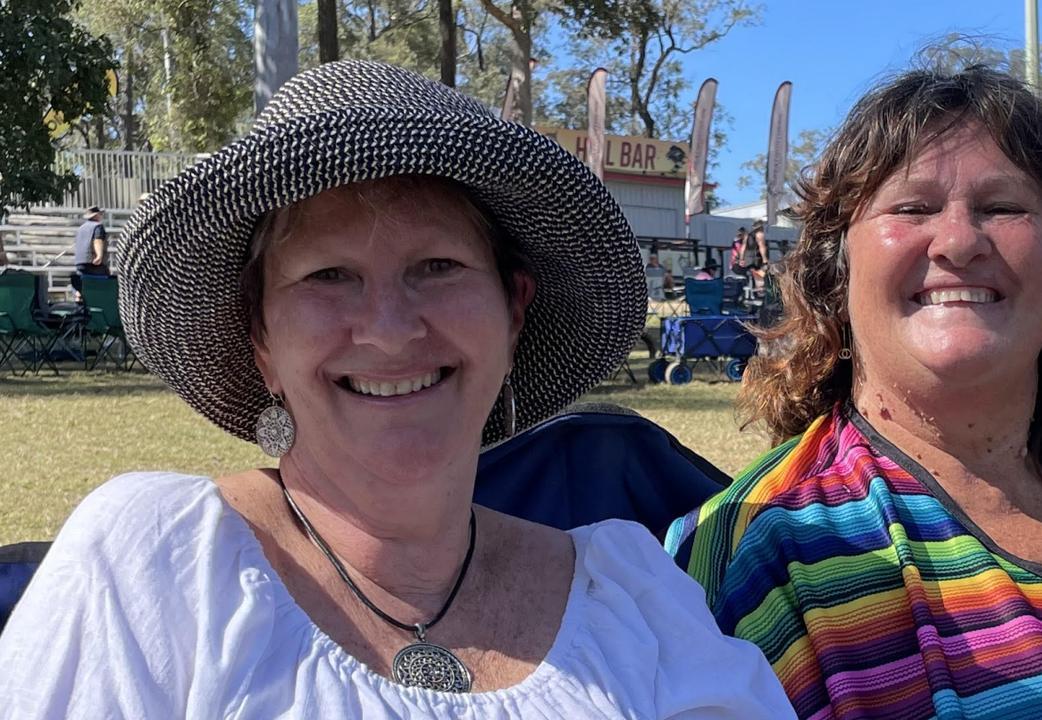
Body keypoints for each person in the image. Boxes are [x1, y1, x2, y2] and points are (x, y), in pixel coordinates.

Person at [0, 61, 793, 719]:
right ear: (261, 338)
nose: (387, 328)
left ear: (513, 313)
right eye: (328, 275)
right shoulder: (158, 570)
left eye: (437, 268)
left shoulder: (633, 599)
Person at [666, 65, 1042, 720]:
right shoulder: (760, 552)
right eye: (911, 208)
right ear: (834, 271)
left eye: (1002, 207)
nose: (958, 241)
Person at [71, 205, 109, 293]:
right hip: (92, 262)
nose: (101, 216)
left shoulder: (81, 228)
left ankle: (78, 295)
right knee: (106, 279)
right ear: (96, 215)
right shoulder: (98, 226)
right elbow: (97, 240)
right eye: (100, 214)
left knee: (81, 284)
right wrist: (99, 256)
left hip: (80, 262)